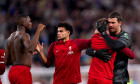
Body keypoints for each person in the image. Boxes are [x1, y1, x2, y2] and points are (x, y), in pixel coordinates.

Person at [36, 22, 112, 84]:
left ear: (68, 33)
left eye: (61, 31)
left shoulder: (77, 43)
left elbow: (93, 42)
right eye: (58, 31)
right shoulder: (53, 46)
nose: (58, 33)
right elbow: (47, 64)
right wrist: (41, 53)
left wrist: (98, 32)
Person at [86, 18, 135, 84]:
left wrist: (95, 52)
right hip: (105, 78)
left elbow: (88, 50)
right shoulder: (114, 42)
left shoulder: (94, 38)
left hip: (92, 77)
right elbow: (131, 55)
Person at [4, 14, 46, 84]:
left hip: (12, 72)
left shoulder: (10, 38)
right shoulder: (24, 35)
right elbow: (31, 48)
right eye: (29, 21)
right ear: (23, 23)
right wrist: (38, 31)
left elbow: (7, 60)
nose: (31, 23)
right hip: (22, 72)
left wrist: (25, 55)